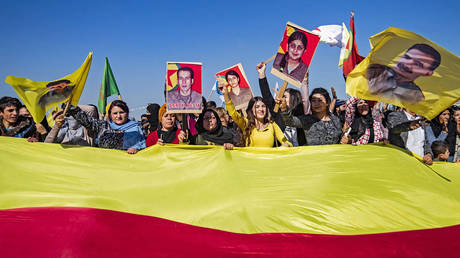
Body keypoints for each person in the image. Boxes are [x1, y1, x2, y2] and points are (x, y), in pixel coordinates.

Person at [219, 81, 291, 147]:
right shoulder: (246, 124)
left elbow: (286, 141)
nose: (261, 109)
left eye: (263, 106)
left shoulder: (272, 124)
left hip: (269, 160)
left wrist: (286, 145)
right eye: (257, 107)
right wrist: (226, 95)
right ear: (252, 110)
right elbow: (233, 114)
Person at [366, 43, 441, 104]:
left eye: (417, 64)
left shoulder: (416, 97)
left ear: (428, 73)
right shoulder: (372, 71)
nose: (407, 63)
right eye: (407, 57)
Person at [66, 100, 145, 154]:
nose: (118, 116)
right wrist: (71, 108)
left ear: (127, 113)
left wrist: (136, 149)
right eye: (115, 113)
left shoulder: (136, 128)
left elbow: (143, 144)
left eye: (121, 112)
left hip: (127, 166)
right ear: (110, 115)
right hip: (105, 166)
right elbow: (86, 120)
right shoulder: (103, 126)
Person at [278, 88, 342, 146]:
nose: (316, 103)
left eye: (320, 100)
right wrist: (284, 108)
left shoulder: (335, 120)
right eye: (313, 100)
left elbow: (340, 138)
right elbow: (290, 121)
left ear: (327, 102)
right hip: (314, 157)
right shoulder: (308, 120)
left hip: (333, 157)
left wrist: (347, 139)